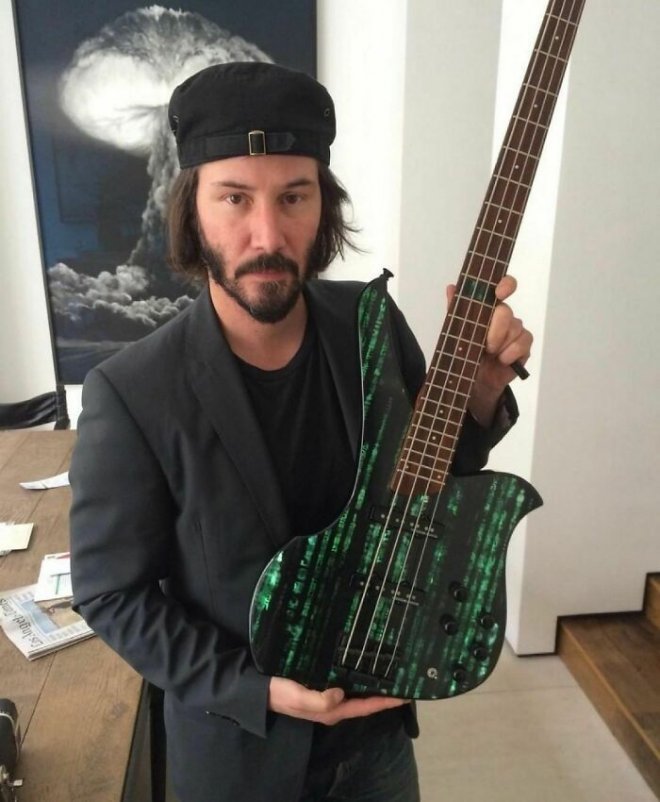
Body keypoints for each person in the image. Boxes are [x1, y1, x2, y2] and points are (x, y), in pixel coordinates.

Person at [69, 62, 532, 802]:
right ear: (191, 210)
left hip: (378, 742)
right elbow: (111, 594)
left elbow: (427, 492)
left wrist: (476, 392)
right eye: (234, 198)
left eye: (293, 196)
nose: (268, 234)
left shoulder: (371, 324)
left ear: (324, 204)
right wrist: (258, 691)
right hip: (238, 757)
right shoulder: (132, 392)